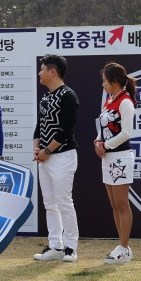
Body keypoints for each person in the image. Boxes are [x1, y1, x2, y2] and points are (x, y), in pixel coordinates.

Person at [32, 54, 81, 262]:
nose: (39, 73)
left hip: (63, 157)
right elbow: (39, 126)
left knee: (63, 202)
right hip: (45, 158)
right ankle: (55, 246)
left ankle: (70, 247)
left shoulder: (69, 95)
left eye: (42, 69)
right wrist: (37, 149)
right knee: (50, 203)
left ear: (53, 72)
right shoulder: (45, 98)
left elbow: (65, 131)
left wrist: (47, 151)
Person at [94, 62, 137, 264]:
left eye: (104, 81)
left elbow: (127, 132)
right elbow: (102, 128)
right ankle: (122, 245)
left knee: (121, 203)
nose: (102, 84)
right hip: (108, 157)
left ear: (114, 81)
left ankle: (125, 248)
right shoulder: (109, 100)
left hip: (121, 157)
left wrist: (106, 145)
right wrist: (97, 141)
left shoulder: (125, 102)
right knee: (113, 204)